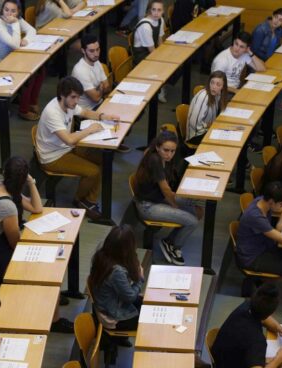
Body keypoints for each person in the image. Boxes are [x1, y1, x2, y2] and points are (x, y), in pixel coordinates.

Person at [35, 76, 120, 220]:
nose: (76, 101)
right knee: (93, 171)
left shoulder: (68, 104)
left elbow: (85, 113)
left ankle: (89, 200)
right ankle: (80, 200)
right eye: (73, 97)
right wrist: (89, 130)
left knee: (104, 160)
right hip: (52, 156)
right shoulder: (53, 112)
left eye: (78, 97)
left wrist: (104, 116)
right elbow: (69, 140)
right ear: (62, 95)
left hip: (65, 148)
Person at [133, 131, 202, 265]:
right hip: (148, 206)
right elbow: (165, 190)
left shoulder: (165, 159)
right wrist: (175, 205)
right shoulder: (154, 160)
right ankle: (172, 244)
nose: (169, 154)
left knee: (198, 211)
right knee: (192, 221)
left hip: (158, 199)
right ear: (157, 147)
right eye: (166, 150)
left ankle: (171, 240)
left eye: (172, 151)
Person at [0, 156, 43, 292]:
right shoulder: (6, 206)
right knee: (38, 263)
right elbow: (15, 243)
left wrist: (31, 182)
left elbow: (36, 208)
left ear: (4, 173)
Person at [211, 283, 282, 368]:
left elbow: (264, 317)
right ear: (272, 312)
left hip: (222, 360)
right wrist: (279, 359)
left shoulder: (247, 306)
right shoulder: (257, 341)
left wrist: (279, 328)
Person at [0, 0, 45, 121]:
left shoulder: (16, 19)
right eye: (6, 10)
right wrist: (15, 24)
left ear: (18, 12)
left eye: (13, 11)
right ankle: (24, 110)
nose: (9, 14)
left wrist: (27, 40)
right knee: (30, 74)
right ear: (2, 10)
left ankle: (32, 102)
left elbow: (32, 31)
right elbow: (15, 44)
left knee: (41, 69)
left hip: (12, 58)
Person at [89, 225, 144, 334]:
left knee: (147, 303)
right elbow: (130, 297)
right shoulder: (117, 271)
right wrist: (140, 278)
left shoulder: (102, 256)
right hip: (114, 316)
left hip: (106, 306)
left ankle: (116, 341)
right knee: (150, 320)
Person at [251, 8, 282, 110]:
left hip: (270, 59)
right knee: (279, 75)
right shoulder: (261, 29)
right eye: (276, 17)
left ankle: (279, 100)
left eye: (281, 20)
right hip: (258, 61)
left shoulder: (278, 29)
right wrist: (268, 60)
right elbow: (254, 50)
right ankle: (271, 102)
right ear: (272, 16)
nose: (276, 21)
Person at [131, 0, 167, 104]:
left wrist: (163, 54)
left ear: (163, 11)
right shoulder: (145, 26)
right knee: (164, 67)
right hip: (142, 55)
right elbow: (151, 51)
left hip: (152, 50)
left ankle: (160, 86)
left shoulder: (160, 20)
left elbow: (160, 40)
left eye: (159, 10)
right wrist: (163, 60)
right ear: (149, 10)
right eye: (153, 10)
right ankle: (159, 90)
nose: (156, 13)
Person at [186, 71, 228, 144]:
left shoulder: (217, 94)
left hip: (207, 129)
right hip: (195, 135)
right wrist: (208, 126)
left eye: (218, 84)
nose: (214, 87)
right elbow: (194, 124)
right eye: (212, 82)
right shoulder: (203, 97)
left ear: (223, 87)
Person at [71, 34, 110, 110]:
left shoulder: (96, 62)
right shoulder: (80, 71)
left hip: (100, 104)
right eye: (91, 51)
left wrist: (99, 90)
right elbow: (95, 98)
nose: (96, 54)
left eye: (98, 49)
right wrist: (101, 87)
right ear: (83, 50)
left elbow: (107, 87)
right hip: (88, 110)